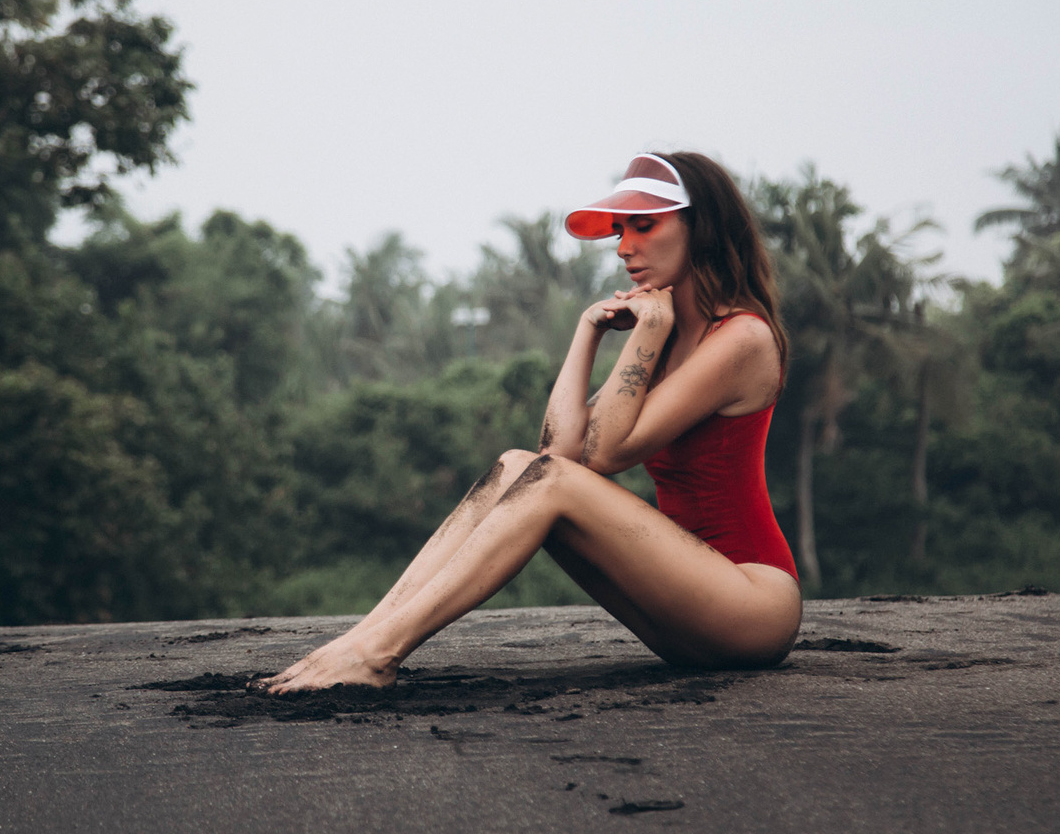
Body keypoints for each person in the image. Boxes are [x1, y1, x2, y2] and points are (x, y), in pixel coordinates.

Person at [255, 152, 801, 694]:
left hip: (750, 603)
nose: (623, 246)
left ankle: (377, 654)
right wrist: (587, 332)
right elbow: (558, 453)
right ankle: (362, 639)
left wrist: (647, 333)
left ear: (700, 226)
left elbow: (606, 455)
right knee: (516, 465)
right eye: (619, 229)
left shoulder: (742, 338)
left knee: (547, 481)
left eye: (644, 225)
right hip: (680, 604)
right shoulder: (666, 333)